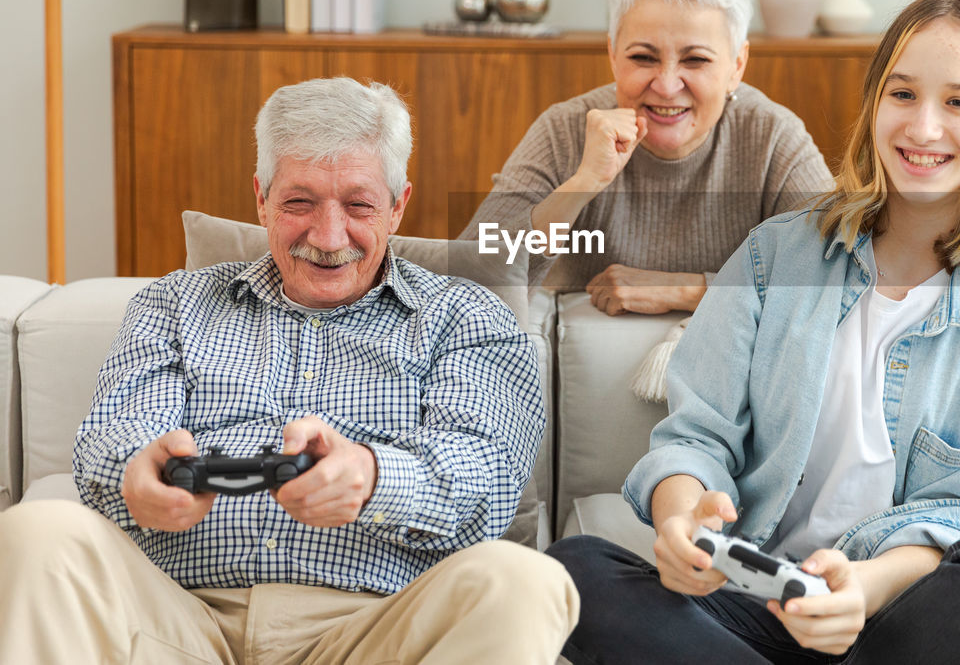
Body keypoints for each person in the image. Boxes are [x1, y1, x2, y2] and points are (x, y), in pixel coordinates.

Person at [548, 0, 960, 664]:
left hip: (898, 615)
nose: (922, 127)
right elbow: (695, 436)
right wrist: (680, 519)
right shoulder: (775, 255)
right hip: (749, 603)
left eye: (959, 102)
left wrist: (862, 586)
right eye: (902, 94)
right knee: (571, 570)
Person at [0, 78, 578, 664]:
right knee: (36, 532)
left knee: (524, 581)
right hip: (177, 619)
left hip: (375, 629)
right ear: (261, 198)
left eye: (358, 205)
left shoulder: (466, 317)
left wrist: (373, 476)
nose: (328, 239)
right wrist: (134, 472)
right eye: (300, 203)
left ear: (399, 205)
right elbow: (112, 437)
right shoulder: (172, 304)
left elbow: (487, 484)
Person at [460, 0, 833, 315]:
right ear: (612, 55)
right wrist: (583, 184)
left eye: (696, 60)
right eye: (643, 57)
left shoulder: (772, 135)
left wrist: (686, 290)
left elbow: (838, 278)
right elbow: (464, 282)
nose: (667, 85)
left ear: (737, 65)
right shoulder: (564, 129)